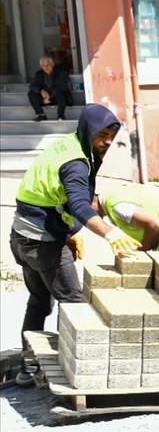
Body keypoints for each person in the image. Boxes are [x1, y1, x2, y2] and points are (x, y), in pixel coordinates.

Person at [9, 104, 142, 385]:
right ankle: (72, 371)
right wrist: (110, 233)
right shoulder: (77, 163)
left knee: (39, 300)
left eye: (110, 137)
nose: (106, 142)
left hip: (21, 236)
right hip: (41, 242)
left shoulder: (67, 144)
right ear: (88, 131)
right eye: (101, 135)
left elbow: (49, 197)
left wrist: (67, 234)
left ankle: (27, 366)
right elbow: (79, 204)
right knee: (73, 302)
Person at [27, 55, 72, 122]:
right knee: (31, 93)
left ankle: (60, 115)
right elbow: (32, 86)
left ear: (53, 64)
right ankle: (41, 114)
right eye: (43, 66)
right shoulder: (39, 74)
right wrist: (41, 91)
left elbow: (62, 87)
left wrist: (49, 95)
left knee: (60, 93)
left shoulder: (61, 72)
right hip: (45, 99)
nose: (46, 67)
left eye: (48, 65)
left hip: (57, 99)